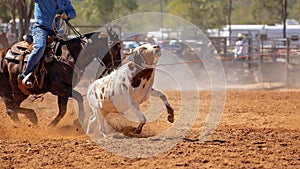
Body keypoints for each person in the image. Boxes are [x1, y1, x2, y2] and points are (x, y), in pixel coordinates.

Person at [20, 0, 76, 88]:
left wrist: (67, 15)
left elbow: (73, 12)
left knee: (65, 50)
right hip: (41, 29)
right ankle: (27, 74)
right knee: (40, 47)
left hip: (56, 32)